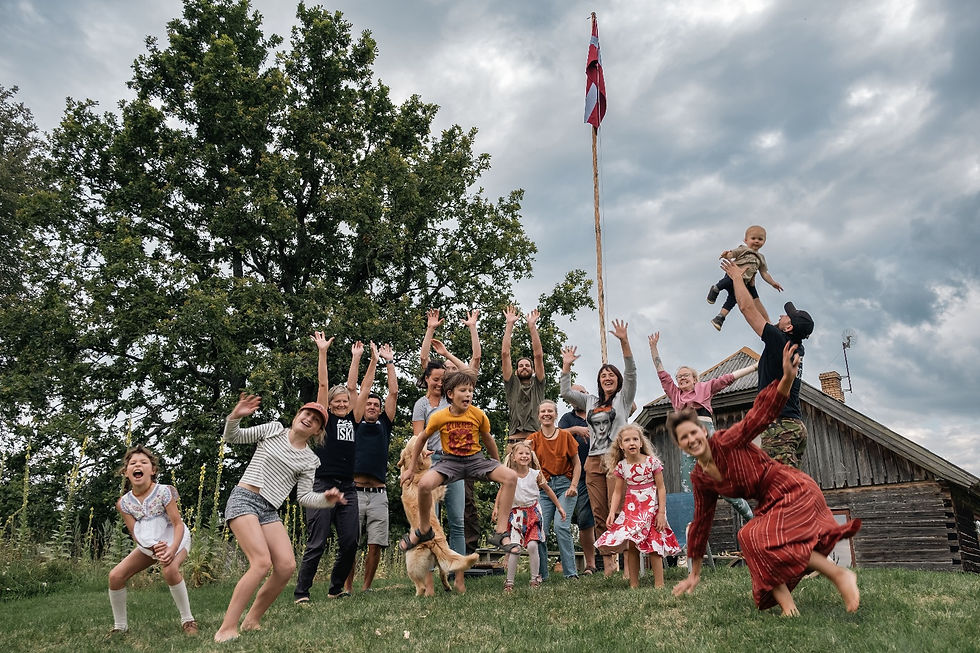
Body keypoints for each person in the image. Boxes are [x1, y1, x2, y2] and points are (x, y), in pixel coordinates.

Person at [671, 342, 861, 615]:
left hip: (791, 487)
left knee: (758, 535)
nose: (691, 439)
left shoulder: (727, 441)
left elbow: (761, 414)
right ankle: (789, 608)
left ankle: (840, 575)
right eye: (684, 438)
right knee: (752, 538)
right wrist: (694, 573)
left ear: (703, 431)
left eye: (694, 432)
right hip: (769, 500)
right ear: (681, 445)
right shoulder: (701, 477)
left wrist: (786, 379)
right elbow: (701, 524)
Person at [214, 394, 344, 642]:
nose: (309, 419)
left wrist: (326, 500)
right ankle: (227, 628)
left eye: (316, 420)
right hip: (245, 498)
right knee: (261, 562)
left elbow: (305, 496)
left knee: (286, 566)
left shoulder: (310, 459)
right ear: (297, 416)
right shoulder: (273, 429)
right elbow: (232, 437)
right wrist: (235, 417)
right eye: (306, 414)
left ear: (318, 431)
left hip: (269, 510)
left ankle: (251, 620)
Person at [398, 368, 519, 556]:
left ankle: (500, 532)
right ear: (450, 394)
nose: (468, 394)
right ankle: (423, 529)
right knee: (424, 485)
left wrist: (497, 464)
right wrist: (411, 469)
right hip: (450, 462)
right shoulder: (439, 416)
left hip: (475, 460)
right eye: (463, 390)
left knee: (510, 476)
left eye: (470, 390)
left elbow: (488, 440)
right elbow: (421, 439)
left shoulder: (478, 414)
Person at [294, 336, 375, 603]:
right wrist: (322, 353)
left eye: (344, 401)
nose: (341, 404)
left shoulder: (355, 416)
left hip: (348, 486)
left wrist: (367, 359)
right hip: (321, 484)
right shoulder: (324, 420)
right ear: (328, 405)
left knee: (351, 541)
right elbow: (323, 384)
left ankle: (335, 588)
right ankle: (301, 592)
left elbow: (361, 387)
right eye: (336, 402)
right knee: (316, 542)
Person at [648, 331, 756, 522]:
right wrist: (653, 347)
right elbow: (662, 374)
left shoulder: (705, 388)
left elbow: (728, 378)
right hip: (688, 442)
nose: (682, 379)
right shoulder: (675, 395)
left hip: (707, 438)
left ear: (695, 379)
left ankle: (750, 516)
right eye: (679, 377)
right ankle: (693, 529)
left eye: (686, 376)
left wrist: (754, 367)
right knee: (691, 487)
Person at [560, 319, 636, 577]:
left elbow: (632, 372)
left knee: (621, 509)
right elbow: (565, 393)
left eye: (611, 375)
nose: (607, 378)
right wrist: (567, 365)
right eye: (603, 375)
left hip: (616, 458)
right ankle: (608, 560)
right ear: (598, 380)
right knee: (600, 512)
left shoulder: (623, 400)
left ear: (617, 381)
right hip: (593, 460)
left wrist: (624, 341)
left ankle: (627, 560)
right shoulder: (590, 400)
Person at [722, 258, 814, 468]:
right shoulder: (792, 344)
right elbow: (763, 316)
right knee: (786, 482)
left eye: (786, 316)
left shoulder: (779, 341)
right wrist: (752, 288)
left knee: (780, 485)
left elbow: (746, 309)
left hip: (780, 425)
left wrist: (737, 278)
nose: (781, 315)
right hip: (794, 425)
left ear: (789, 328)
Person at [108, 445, 196, 636]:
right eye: (132, 463)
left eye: (143, 462)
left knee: (170, 570)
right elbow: (135, 534)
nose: (137, 465)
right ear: (126, 472)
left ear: (153, 470)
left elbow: (178, 524)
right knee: (115, 576)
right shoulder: (124, 503)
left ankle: (188, 621)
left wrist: (171, 550)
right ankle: (120, 627)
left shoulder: (164, 492)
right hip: (149, 544)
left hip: (175, 539)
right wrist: (152, 547)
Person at [419, 308, 483, 556]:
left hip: (455, 459)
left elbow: (473, 366)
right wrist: (430, 329)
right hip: (432, 461)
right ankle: (434, 564)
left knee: (458, 519)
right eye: (438, 374)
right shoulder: (424, 403)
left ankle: (459, 566)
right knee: (432, 519)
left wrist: (447, 353)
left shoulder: (456, 399)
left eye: (446, 374)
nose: (440, 377)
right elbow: (425, 361)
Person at [594, 425, 680, 588]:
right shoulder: (622, 466)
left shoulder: (652, 463)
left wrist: (661, 513)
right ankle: (634, 584)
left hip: (652, 508)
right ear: (621, 445)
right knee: (632, 545)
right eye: (627, 440)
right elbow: (617, 492)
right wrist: (612, 512)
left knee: (654, 545)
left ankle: (659, 584)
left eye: (635, 439)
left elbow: (661, 488)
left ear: (641, 443)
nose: (631, 443)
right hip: (633, 510)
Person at [344, 343, 398, 593]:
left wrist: (388, 362)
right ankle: (348, 587)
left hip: (378, 494)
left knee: (375, 543)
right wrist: (358, 358)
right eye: (369, 404)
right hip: (354, 492)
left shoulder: (384, 425)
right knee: (350, 543)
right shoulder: (354, 424)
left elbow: (393, 394)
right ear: (363, 407)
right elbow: (354, 389)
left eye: (376, 405)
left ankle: (366, 588)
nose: (373, 407)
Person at [492, 441, 566, 592]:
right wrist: (496, 507)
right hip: (516, 515)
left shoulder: (535, 475)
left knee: (533, 546)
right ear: (513, 457)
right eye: (521, 453)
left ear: (531, 457)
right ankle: (509, 582)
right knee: (515, 548)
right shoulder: (510, 475)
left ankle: (534, 579)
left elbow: (548, 490)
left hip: (533, 514)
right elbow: (501, 490)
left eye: (527, 453)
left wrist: (559, 507)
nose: (524, 456)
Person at [526, 400, 581, 581]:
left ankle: (570, 573)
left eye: (550, 411)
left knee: (561, 526)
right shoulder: (533, 440)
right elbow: (520, 459)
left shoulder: (565, 436)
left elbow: (577, 464)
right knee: (540, 528)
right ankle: (542, 574)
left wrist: (573, 485)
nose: (546, 414)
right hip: (543, 488)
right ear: (538, 415)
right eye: (543, 411)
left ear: (556, 415)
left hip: (565, 486)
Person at [707, 225, 783, 330]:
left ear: (764, 242)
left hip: (743, 284)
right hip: (733, 275)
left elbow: (764, 273)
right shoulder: (743, 249)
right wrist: (726, 255)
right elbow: (732, 254)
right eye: (753, 238)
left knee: (733, 299)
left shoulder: (761, 258)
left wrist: (773, 283)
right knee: (727, 282)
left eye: (760, 239)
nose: (756, 241)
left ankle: (720, 317)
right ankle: (716, 288)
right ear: (746, 240)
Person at [558, 385, 598, 574]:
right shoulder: (567, 419)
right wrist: (575, 429)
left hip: (601, 471)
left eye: (581, 392)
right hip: (580, 475)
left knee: (607, 514)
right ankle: (591, 564)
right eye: (573, 394)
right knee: (584, 519)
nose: (578, 396)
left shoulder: (598, 411)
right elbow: (556, 435)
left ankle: (611, 559)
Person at [501, 305, 546, 445]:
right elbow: (505, 354)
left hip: (536, 440)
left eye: (527, 365)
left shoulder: (538, 384)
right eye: (521, 366)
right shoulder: (511, 384)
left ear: (533, 370)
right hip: (514, 441)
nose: (524, 367)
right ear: (516, 371)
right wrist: (509, 324)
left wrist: (532, 326)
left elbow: (538, 355)